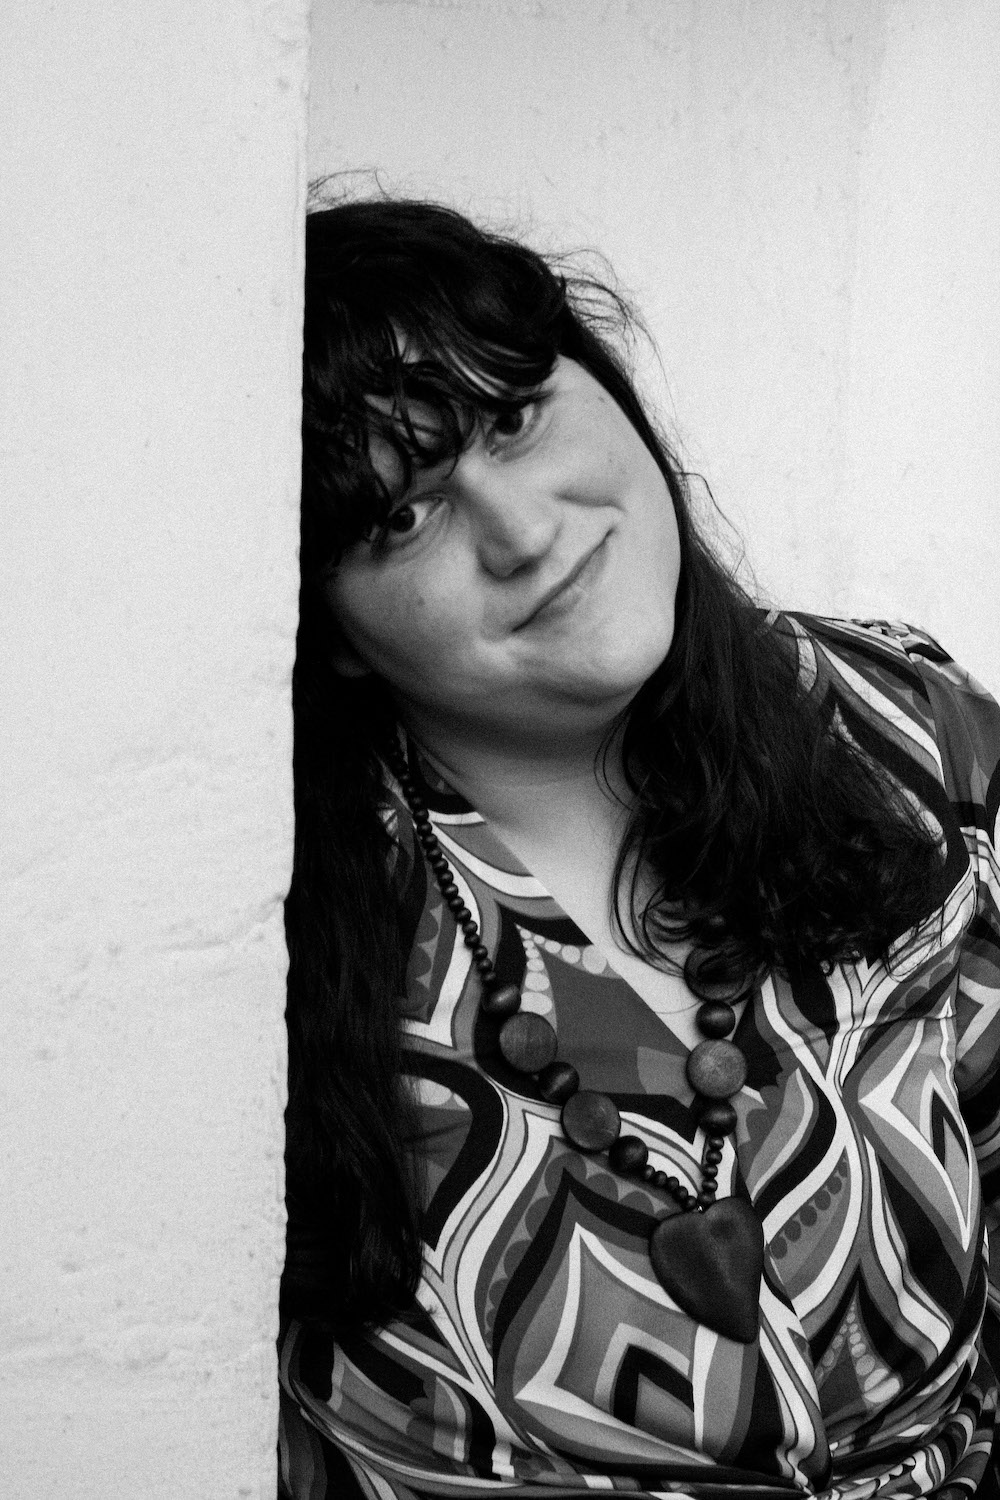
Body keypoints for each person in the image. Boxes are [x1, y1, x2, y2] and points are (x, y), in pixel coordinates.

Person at [278, 195, 1000, 1500]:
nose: (527, 529)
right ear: (326, 624)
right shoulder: (269, 940)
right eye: (401, 519)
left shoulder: (904, 736)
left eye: (513, 415)